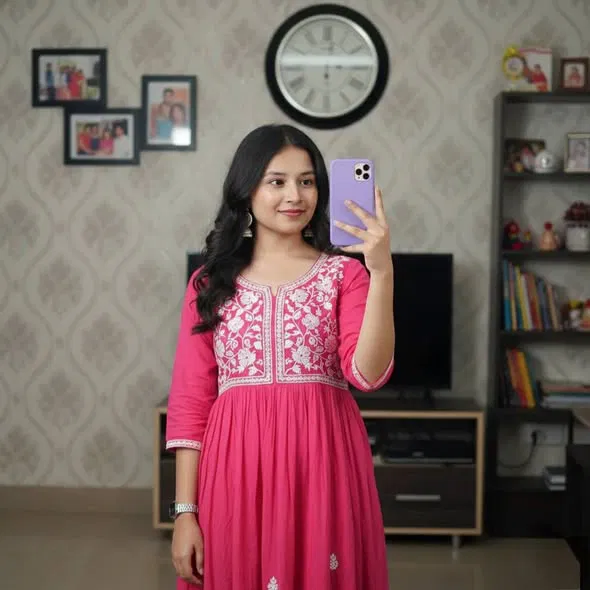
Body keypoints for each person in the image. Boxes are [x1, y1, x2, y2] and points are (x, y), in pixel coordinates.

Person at [166, 124, 395, 590]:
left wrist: (382, 271)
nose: (295, 195)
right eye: (277, 181)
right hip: (235, 474)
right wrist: (185, 513)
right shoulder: (209, 284)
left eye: (307, 181)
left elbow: (367, 375)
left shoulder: (345, 276)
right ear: (246, 190)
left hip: (323, 469)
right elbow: (191, 404)